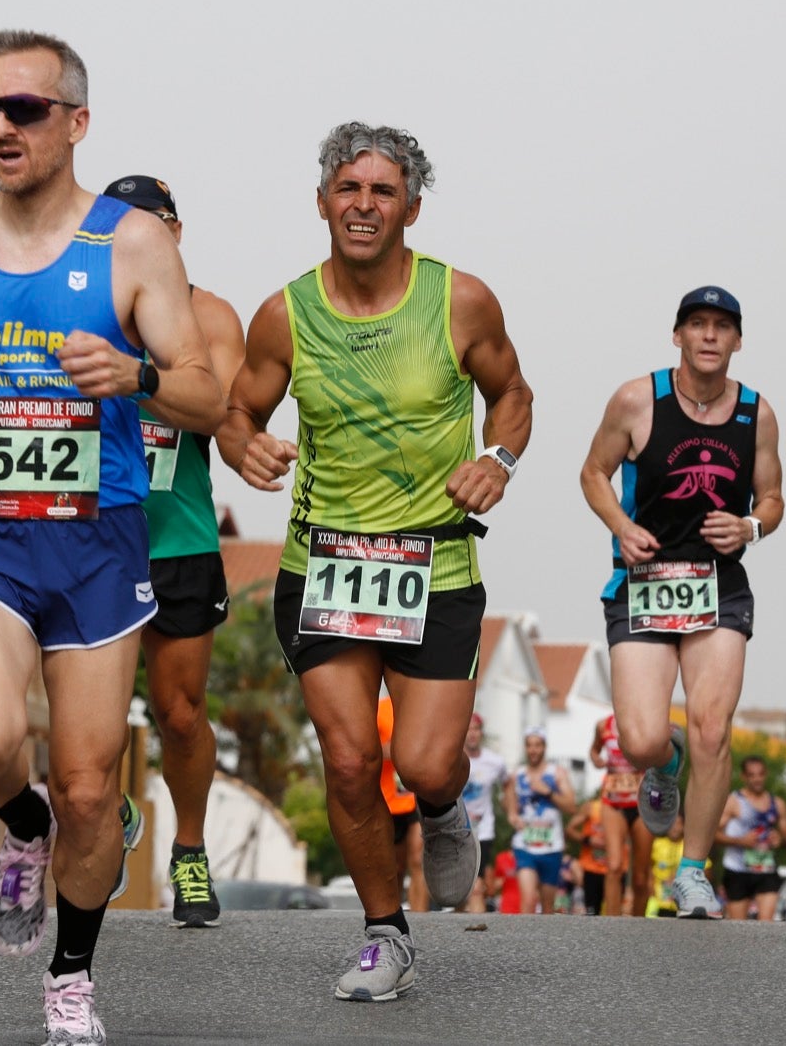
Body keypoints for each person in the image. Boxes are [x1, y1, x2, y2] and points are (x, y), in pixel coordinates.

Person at [0, 30, 225, 1045]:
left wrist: (137, 377)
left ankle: (71, 976)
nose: (2, 127)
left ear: (75, 123)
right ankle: (20, 825)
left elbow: (206, 394)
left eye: (23, 109)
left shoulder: (132, 244)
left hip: (97, 542)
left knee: (89, 791)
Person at [217, 121, 533, 1001]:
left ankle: (442, 804)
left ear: (411, 208)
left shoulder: (460, 301)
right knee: (352, 759)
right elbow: (239, 413)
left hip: (435, 567)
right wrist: (244, 449)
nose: (363, 205)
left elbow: (512, 393)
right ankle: (385, 933)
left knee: (424, 762)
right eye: (348, 189)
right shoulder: (284, 314)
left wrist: (498, 459)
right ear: (322, 202)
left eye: (382, 191)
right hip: (325, 564)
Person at [579, 285, 784, 920]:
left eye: (722, 326)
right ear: (678, 335)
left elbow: (772, 498)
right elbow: (592, 473)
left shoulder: (756, 414)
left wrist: (750, 526)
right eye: (697, 324)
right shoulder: (637, 400)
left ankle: (692, 872)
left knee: (712, 729)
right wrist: (621, 525)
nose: (709, 336)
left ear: (738, 341)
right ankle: (665, 762)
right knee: (640, 741)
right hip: (644, 583)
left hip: (719, 585)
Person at [101, 173, 246, 928]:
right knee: (86, 715)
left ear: (175, 232)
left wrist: (132, 376)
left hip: (180, 537)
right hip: (95, 534)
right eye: (118, 223)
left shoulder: (209, 315)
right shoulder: (79, 303)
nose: (136, 236)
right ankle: (110, 810)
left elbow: (219, 409)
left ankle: (188, 849)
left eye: (151, 224)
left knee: (179, 714)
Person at [502, 728, 576, 914]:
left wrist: (548, 792)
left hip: (551, 847)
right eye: (529, 745)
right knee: (528, 901)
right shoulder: (517, 775)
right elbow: (508, 799)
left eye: (537, 745)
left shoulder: (557, 773)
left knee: (547, 908)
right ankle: (525, 935)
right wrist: (512, 816)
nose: (533, 750)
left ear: (544, 747)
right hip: (524, 846)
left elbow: (571, 806)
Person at [591, 712, 654, 916]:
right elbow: (594, 751)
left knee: (641, 877)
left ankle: (637, 925)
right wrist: (597, 760)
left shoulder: (648, 722)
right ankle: (613, 924)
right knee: (615, 866)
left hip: (642, 804)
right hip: (613, 802)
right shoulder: (603, 725)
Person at [716, 755, 786, 921]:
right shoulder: (733, 802)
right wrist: (740, 841)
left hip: (766, 870)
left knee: (766, 925)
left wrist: (779, 839)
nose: (757, 779)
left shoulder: (777, 804)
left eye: (760, 774)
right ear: (744, 776)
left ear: (766, 774)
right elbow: (713, 835)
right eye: (752, 775)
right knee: (738, 926)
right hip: (738, 870)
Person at [378, 692, 430, 912]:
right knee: (395, 867)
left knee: (418, 859)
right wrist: (399, 749)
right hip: (389, 800)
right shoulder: (379, 709)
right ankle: (393, 914)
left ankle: (420, 917)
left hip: (416, 796)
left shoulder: (421, 706)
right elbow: (369, 748)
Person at [459, 712, 507, 912]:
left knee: (476, 887)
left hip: (482, 831)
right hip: (455, 830)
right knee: (459, 890)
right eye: (468, 729)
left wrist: (510, 809)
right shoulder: (451, 758)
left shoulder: (495, 762)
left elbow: (508, 783)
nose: (472, 734)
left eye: (476, 729)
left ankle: (477, 928)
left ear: (482, 733)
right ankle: (456, 923)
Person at [565, 795, 609, 915]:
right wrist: (589, 840)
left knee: (612, 913)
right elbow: (570, 829)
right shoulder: (592, 807)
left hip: (614, 870)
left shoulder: (624, 808)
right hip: (592, 868)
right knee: (591, 912)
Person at [644, 811, 688, 917]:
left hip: (682, 903)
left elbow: (706, 868)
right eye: (671, 824)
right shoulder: (657, 844)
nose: (675, 828)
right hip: (658, 901)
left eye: (678, 824)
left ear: (684, 826)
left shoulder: (689, 848)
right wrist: (650, 884)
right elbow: (648, 865)